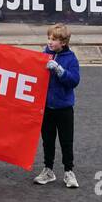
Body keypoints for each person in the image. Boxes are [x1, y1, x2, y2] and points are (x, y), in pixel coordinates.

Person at [34, 23, 81, 188]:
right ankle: (48, 170)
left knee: (66, 141)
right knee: (48, 140)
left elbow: (74, 81)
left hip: (64, 108)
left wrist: (60, 71)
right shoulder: (43, 55)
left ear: (64, 42)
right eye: (49, 38)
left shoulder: (71, 58)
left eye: (54, 39)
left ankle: (69, 171)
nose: (50, 42)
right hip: (46, 107)